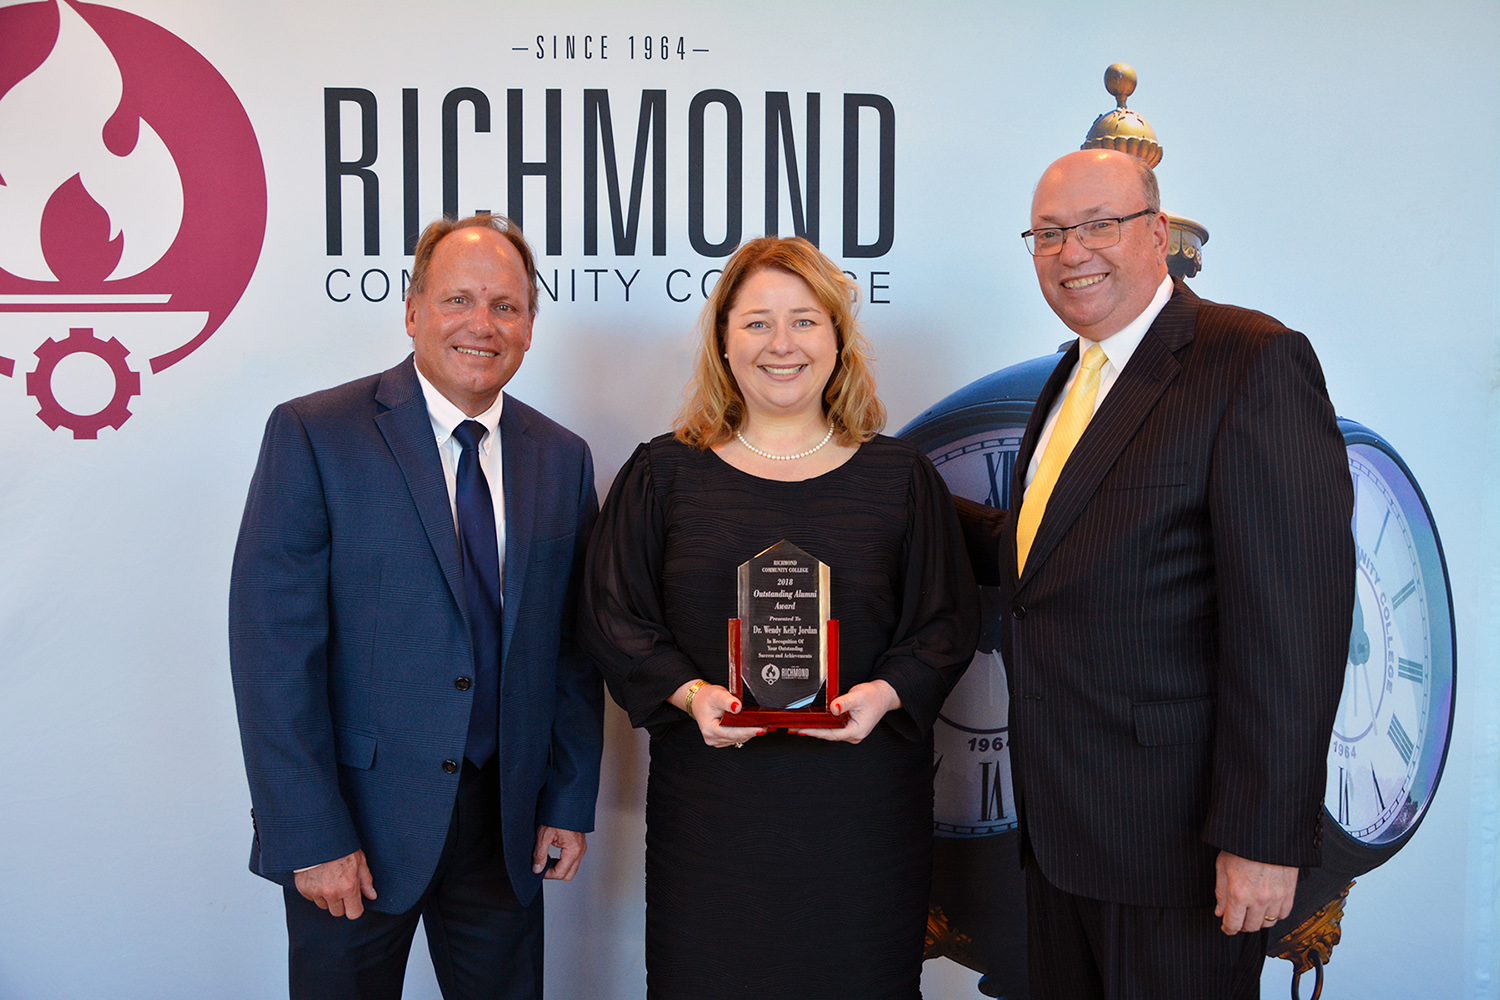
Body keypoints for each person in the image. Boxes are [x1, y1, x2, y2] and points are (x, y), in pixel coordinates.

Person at [959, 148, 1354, 998]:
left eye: (1100, 224)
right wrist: (887, 489)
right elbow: (1047, 559)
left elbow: (1295, 627)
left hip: (1186, 854)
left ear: (1157, 233)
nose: (1074, 252)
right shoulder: (1072, 376)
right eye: (1050, 234)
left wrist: (1263, 838)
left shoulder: (1250, 360)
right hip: (1063, 838)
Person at [578, 236, 979, 1000]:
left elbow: (943, 623)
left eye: (804, 320)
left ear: (837, 337)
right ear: (724, 341)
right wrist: (692, 696)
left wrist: (886, 694)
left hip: (863, 822)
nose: (782, 344)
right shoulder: (664, 473)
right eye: (757, 322)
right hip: (715, 827)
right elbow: (611, 614)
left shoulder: (900, 478)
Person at [228, 213, 603, 1000]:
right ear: (411, 311)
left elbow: (570, 647)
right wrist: (310, 832)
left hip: (505, 829)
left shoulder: (561, 457)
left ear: (531, 325)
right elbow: (273, 656)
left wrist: (566, 799)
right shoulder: (315, 433)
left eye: (506, 306)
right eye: (457, 299)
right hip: (356, 829)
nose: (482, 324)